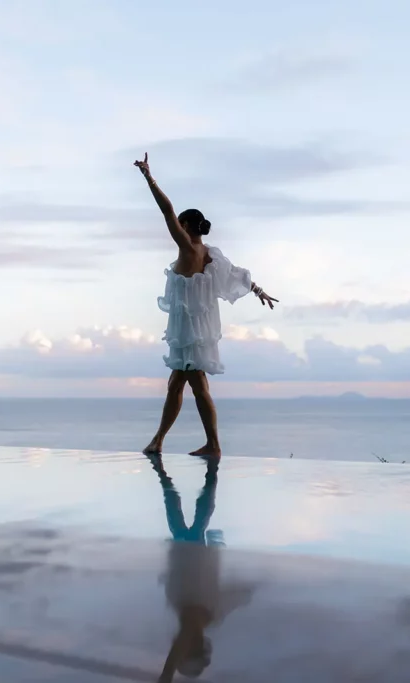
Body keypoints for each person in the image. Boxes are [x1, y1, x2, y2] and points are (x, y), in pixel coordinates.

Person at [135, 153, 278, 458]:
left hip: (189, 330)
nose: (177, 226)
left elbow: (166, 210)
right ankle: (159, 441)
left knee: (196, 385)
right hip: (196, 329)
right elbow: (235, 274)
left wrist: (149, 177)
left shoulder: (188, 248)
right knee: (176, 385)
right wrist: (258, 290)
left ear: (186, 225)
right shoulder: (211, 254)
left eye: (180, 224)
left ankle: (211, 445)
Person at [146, 454, 255, 681]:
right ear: (193, 648)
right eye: (185, 652)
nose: (181, 647)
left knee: (186, 517)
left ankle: (202, 479)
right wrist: (166, 674)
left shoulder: (207, 617)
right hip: (193, 555)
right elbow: (234, 596)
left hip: (186, 554)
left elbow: (234, 596)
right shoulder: (199, 620)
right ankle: (208, 476)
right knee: (191, 518)